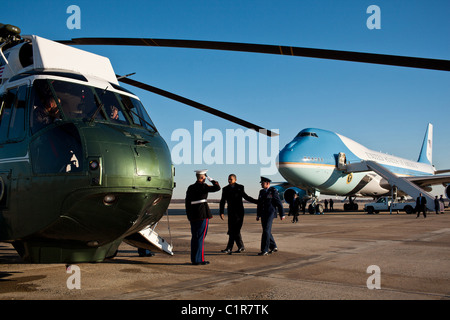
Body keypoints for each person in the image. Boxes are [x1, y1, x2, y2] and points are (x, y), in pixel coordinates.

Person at [185, 169, 220, 265]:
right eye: (204, 177)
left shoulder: (190, 187)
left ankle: (194, 259)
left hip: (193, 215)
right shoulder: (203, 186)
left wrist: (189, 215)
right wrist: (210, 179)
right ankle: (199, 259)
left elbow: (187, 202)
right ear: (203, 177)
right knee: (200, 237)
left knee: (195, 237)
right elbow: (217, 188)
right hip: (202, 214)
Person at [219, 174, 257, 254]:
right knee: (233, 230)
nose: (229, 180)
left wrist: (257, 202)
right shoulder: (225, 189)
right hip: (231, 212)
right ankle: (240, 247)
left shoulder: (240, 187)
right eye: (228, 179)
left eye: (231, 179)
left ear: (235, 180)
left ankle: (230, 248)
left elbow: (246, 197)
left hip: (239, 212)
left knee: (234, 230)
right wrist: (221, 212)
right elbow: (222, 201)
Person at [256, 177, 285, 256]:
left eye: (262, 183)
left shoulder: (273, 191)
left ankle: (264, 250)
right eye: (261, 183)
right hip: (263, 213)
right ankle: (274, 246)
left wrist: (282, 214)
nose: (261, 184)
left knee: (266, 231)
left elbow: (279, 203)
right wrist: (258, 215)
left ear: (267, 183)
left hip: (270, 213)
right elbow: (259, 204)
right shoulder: (261, 192)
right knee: (266, 230)